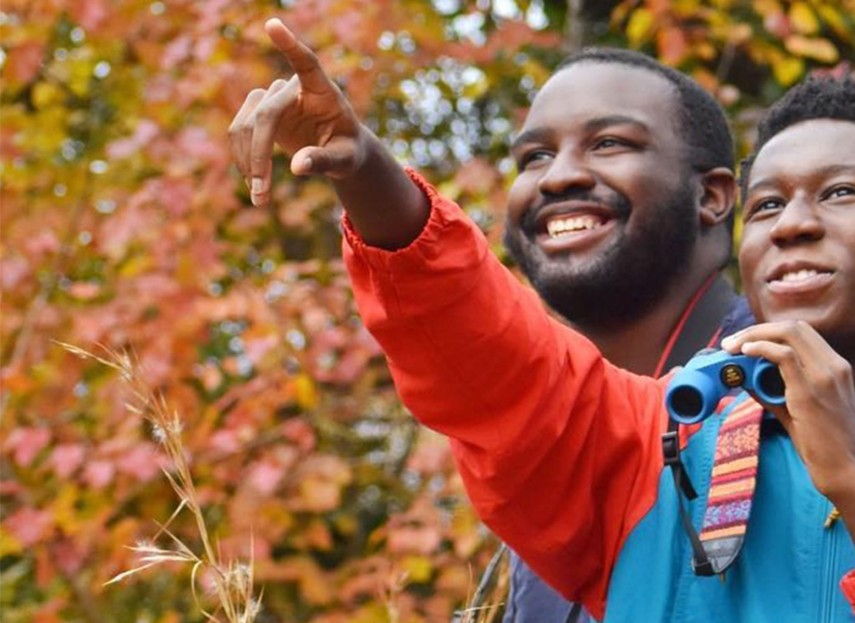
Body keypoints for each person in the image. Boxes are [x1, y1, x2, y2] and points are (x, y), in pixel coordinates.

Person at [230, 16, 855, 619]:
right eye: (767, 207)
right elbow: (488, 356)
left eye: (838, 194)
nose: (793, 222)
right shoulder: (645, 449)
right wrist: (370, 179)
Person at [226, 22, 753, 623]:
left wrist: (369, 171)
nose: (558, 177)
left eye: (609, 144)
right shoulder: (545, 454)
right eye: (535, 156)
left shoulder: (798, 394)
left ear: (712, 197)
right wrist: (362, 172)